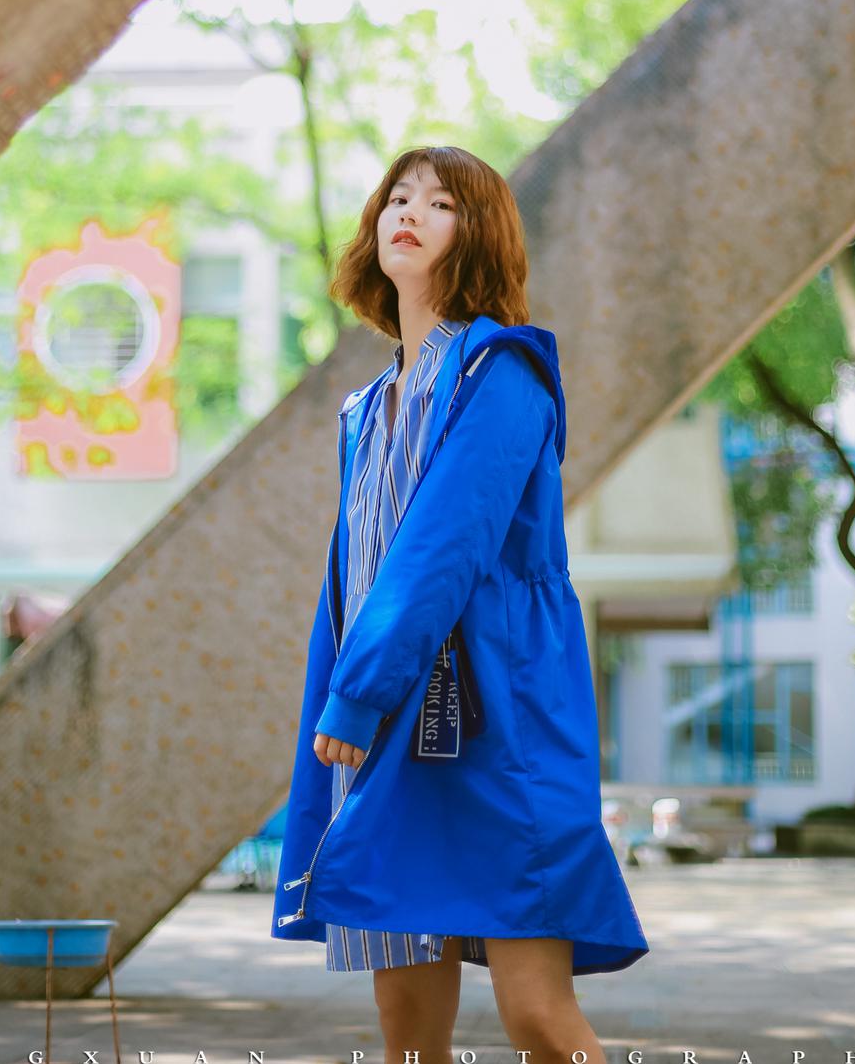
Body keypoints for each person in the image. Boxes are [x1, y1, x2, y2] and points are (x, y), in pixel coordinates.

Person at [272, 145, 648, 1064]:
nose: (408, 212)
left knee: (536, 1015)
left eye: (439, 203)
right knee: (406, 1031)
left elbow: (443, 547)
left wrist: (356, 693)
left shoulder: (503, 373)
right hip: (385, 726)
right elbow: (351, 583)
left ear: (476, 234)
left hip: (495, 716)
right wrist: (347, 700)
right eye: (397, 198)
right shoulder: (366, 408)